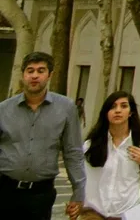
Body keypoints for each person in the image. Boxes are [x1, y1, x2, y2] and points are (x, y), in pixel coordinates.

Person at [0, 51, 86, 220]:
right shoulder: (4, 110)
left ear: (49, 75)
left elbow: (73, 152)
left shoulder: (66, 108)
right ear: (23, 74)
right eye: (30, 71)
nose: (34, 76)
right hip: (5, 191)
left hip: (41, 194)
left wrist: (79, 191)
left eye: (40, 71)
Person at [82, 91, 140, 219]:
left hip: (128, 213)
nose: (118, 111)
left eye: (123, 106)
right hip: (94, 213)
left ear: (131, 112)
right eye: (112, 107)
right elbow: (83, 179)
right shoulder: (91, 144)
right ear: (106, 113)